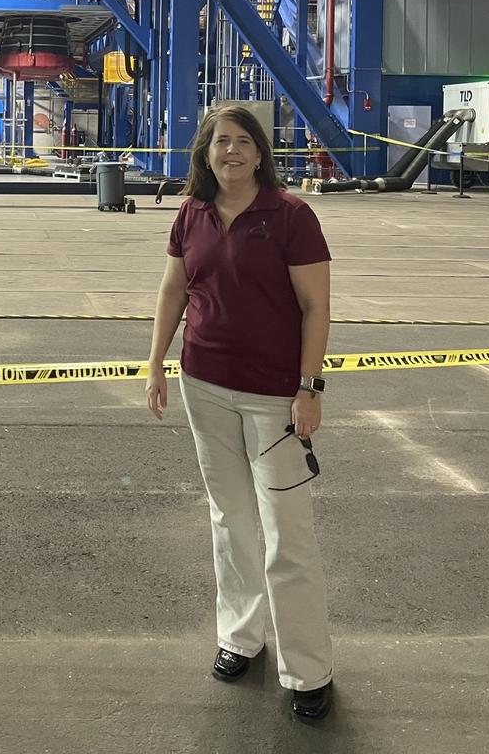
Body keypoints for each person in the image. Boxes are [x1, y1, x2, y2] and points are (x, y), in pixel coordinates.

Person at [145, 104, 333, 722]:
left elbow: (315, 308)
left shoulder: (290, 216)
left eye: (243, 142)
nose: (231, 152)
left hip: (275, 395)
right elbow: (175, 290)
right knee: (229, 520)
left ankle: (307, 670)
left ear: (260, 152)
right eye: (220, 142)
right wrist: (155, 366)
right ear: (205, 152)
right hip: (205, 386)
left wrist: (309, 388)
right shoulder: (191, 211)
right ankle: (241, 637)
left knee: (287, 533)